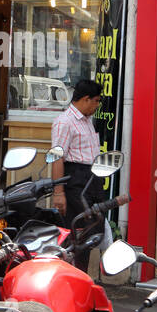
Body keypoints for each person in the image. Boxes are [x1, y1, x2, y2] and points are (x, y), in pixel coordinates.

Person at [51, 79, 104, 270]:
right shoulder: (65, 122)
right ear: (86, 99)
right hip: (75, 180)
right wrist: (58, 193)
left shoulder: (87, 120)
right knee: (77, 232)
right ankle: (72, 275)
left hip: (91, 179)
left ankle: (81, 275)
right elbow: (56, 158)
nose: (97, 105)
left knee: (91, 231)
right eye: (96, 101)